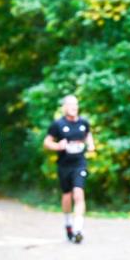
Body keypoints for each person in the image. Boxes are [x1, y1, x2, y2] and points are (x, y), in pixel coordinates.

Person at [43, 94, 95, 244]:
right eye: (71, 105)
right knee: (67, 195)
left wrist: (90, 144)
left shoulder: (83, 122)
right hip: (64, 165)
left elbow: (88, 135)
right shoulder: (58, 124)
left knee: (78, 193)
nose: (74, 107)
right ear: (64, 107)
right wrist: (57, 146)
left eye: (76, 105)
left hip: (80, 163)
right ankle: (68, 225)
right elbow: (47, 142)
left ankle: (78, 229)